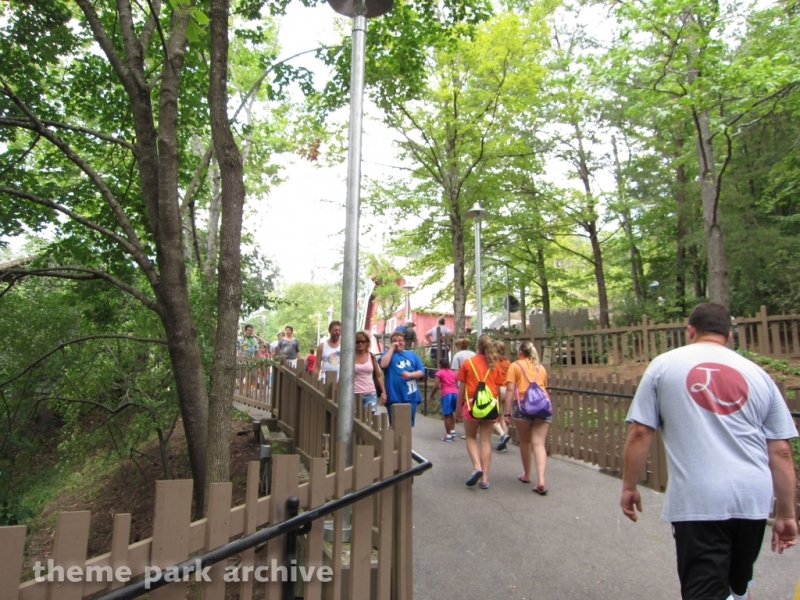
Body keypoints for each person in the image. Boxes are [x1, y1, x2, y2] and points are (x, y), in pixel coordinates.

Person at [620, 302, 798, 600]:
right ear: (729, 335)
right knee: (737, 587)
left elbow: (640, 432)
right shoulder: (758, 374)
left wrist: (629, 487)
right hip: (752, 499)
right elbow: (781, 451)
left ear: (690, 331)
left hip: (700, 499)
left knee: (704, 591)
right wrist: (787, 514)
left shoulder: (664, 366)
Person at [456, 335, 503, 489]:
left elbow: (461, 387)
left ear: (477, 346)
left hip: (472, 405)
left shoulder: (467, 363)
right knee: (485, 441)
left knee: (470, 437)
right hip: (490, 405)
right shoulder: (494, 365)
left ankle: (477, 467)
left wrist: (458, 408)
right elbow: (497, 389)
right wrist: (498, 409)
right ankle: (485, 479)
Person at [504, 341, 550, 493]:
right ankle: (541, 480)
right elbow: (544, 388)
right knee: (539, 444)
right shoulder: (541, 368)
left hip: (522, 406)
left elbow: (510, 390)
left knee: (525, 441)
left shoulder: (515, 366)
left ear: (520, 353)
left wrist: (507, 413)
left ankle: (527, 475)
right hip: (543, 406)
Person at [379, 331, 425, 426]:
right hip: (393, 396)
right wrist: (391, 349)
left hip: (411, 395)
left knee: (407, 426)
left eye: (400, 340)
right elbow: (383, 365)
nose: (397, 343)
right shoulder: (386, 354)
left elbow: (421, 371)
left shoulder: (412, 354)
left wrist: (411, 374)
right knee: (395, 425)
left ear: (404, 342)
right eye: (394, 341)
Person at [354, 330, 386, 412]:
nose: (360, 344)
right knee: (354, 418)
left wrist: (384, 393)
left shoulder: (371, 356)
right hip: (354, 394)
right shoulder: (350, 357)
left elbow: (378, 376)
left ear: (367, 342)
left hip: (370, 393)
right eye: (357, 342)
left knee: (369, 418)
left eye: (363, 341)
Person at [429, 357, 459, 441]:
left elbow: (436, 386)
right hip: (455, 393)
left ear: (440, 365)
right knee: (451, 413)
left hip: (447, 394)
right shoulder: (453, 373)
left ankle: (448, 436)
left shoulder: (440, 372)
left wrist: (431, 396)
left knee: (446, 415)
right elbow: (456, 384)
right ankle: (452, 431)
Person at [493, 341, 512, 451]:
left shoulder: (494, 362)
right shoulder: (507, 362)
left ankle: (502, 436)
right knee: (504, 417)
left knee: (494, 416)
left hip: (498, 389)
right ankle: (504, 443)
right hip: (507, 389)